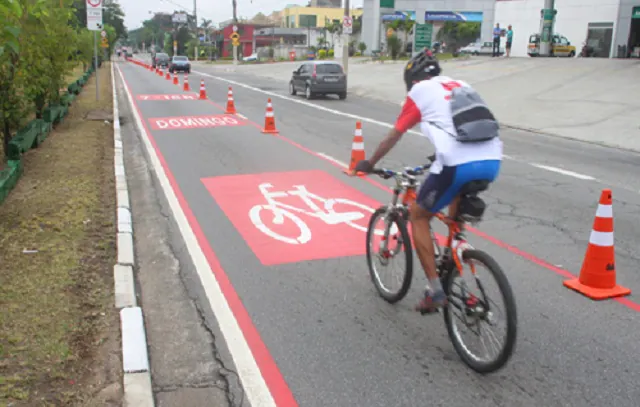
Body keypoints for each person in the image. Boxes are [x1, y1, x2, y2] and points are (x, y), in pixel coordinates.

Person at [350, 51, 503, 313]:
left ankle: (435, 290)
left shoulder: (419, 91)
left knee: (418, 216)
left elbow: (394, 135)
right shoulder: (460, 85)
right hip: (492, 159)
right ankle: (456, 246)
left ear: (411, 80)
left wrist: (370, 162)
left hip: (457, 162)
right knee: (455, 197)